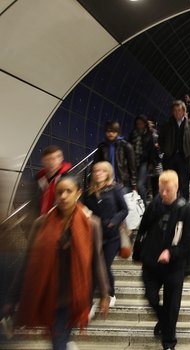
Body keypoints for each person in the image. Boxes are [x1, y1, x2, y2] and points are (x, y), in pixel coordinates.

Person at [5, 175, 109, 350]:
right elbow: (28, 263)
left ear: (78, 193)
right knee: (58, 339)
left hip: (75, 294)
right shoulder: (41, 224)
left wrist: (105, 293)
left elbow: (97, 261)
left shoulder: (92, 225)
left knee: (59, 339)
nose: (63, 196)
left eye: (69, 191)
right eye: (60, 192)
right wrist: (12, 298)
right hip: (49, 294)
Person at [134, 170, 190, 350]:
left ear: (176, 188)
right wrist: (137, 254)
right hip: (152, 262)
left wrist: (171, 252)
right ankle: (165, 321)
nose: (163, 194)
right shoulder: (154, 206)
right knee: (151, 297)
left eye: (167, 190)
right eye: (161, 189)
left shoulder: (185, 210)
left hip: (174, 266)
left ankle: (169, 343)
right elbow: (142, 230)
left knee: (172, 305)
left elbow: (187, 241)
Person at [84, 161, 129, 309]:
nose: (98, 173)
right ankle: (89, 300)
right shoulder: (89, 192)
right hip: (95, 236)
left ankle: (110, 293)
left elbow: (124, 209)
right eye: (96, 171)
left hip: (112, 236)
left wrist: (113, 221)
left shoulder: (114, 189)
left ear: (108, 173)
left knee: (104, 264)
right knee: (94, 266)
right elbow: (83, 209)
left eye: (102, 171)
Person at [159, 100, 190, 202]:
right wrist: (165, 150)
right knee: (170, 182)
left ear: (184, 111)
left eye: (179, 110)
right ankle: (170, 203)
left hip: (184, 157)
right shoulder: (167, 124)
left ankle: (184, 205)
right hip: (170, 157)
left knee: (184, 183)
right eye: (175, 110)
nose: (177, 112)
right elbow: (161, 139)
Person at [94, 120, 136, 193]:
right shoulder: (102, 147)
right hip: (106, 182)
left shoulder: (126, 146)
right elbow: (96, 164)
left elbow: (132, 167)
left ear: (118, 132)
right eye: (108, 131)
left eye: (113, 131)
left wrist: (134, 185)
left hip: (122, 182)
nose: (110, 134)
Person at [35, 145, 72, 215]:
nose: (51, 162)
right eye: (48, 159)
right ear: (43, 161)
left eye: (55, 158)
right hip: (42, 218)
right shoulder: (39, 178)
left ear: (61, 158)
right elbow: (34, 201)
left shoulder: (69, 177)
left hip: (60, 218)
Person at [128, 115, 156, 204]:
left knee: (140, 184)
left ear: (144, 124)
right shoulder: (132, 134)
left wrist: (151, 163)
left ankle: (144, 205)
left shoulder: (148, 135)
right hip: (133, 161)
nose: (139, 125)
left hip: (144, 161)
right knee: (133, 185)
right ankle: (135, 205)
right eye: (138, 123)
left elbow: (152, 150)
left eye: (141, 123)